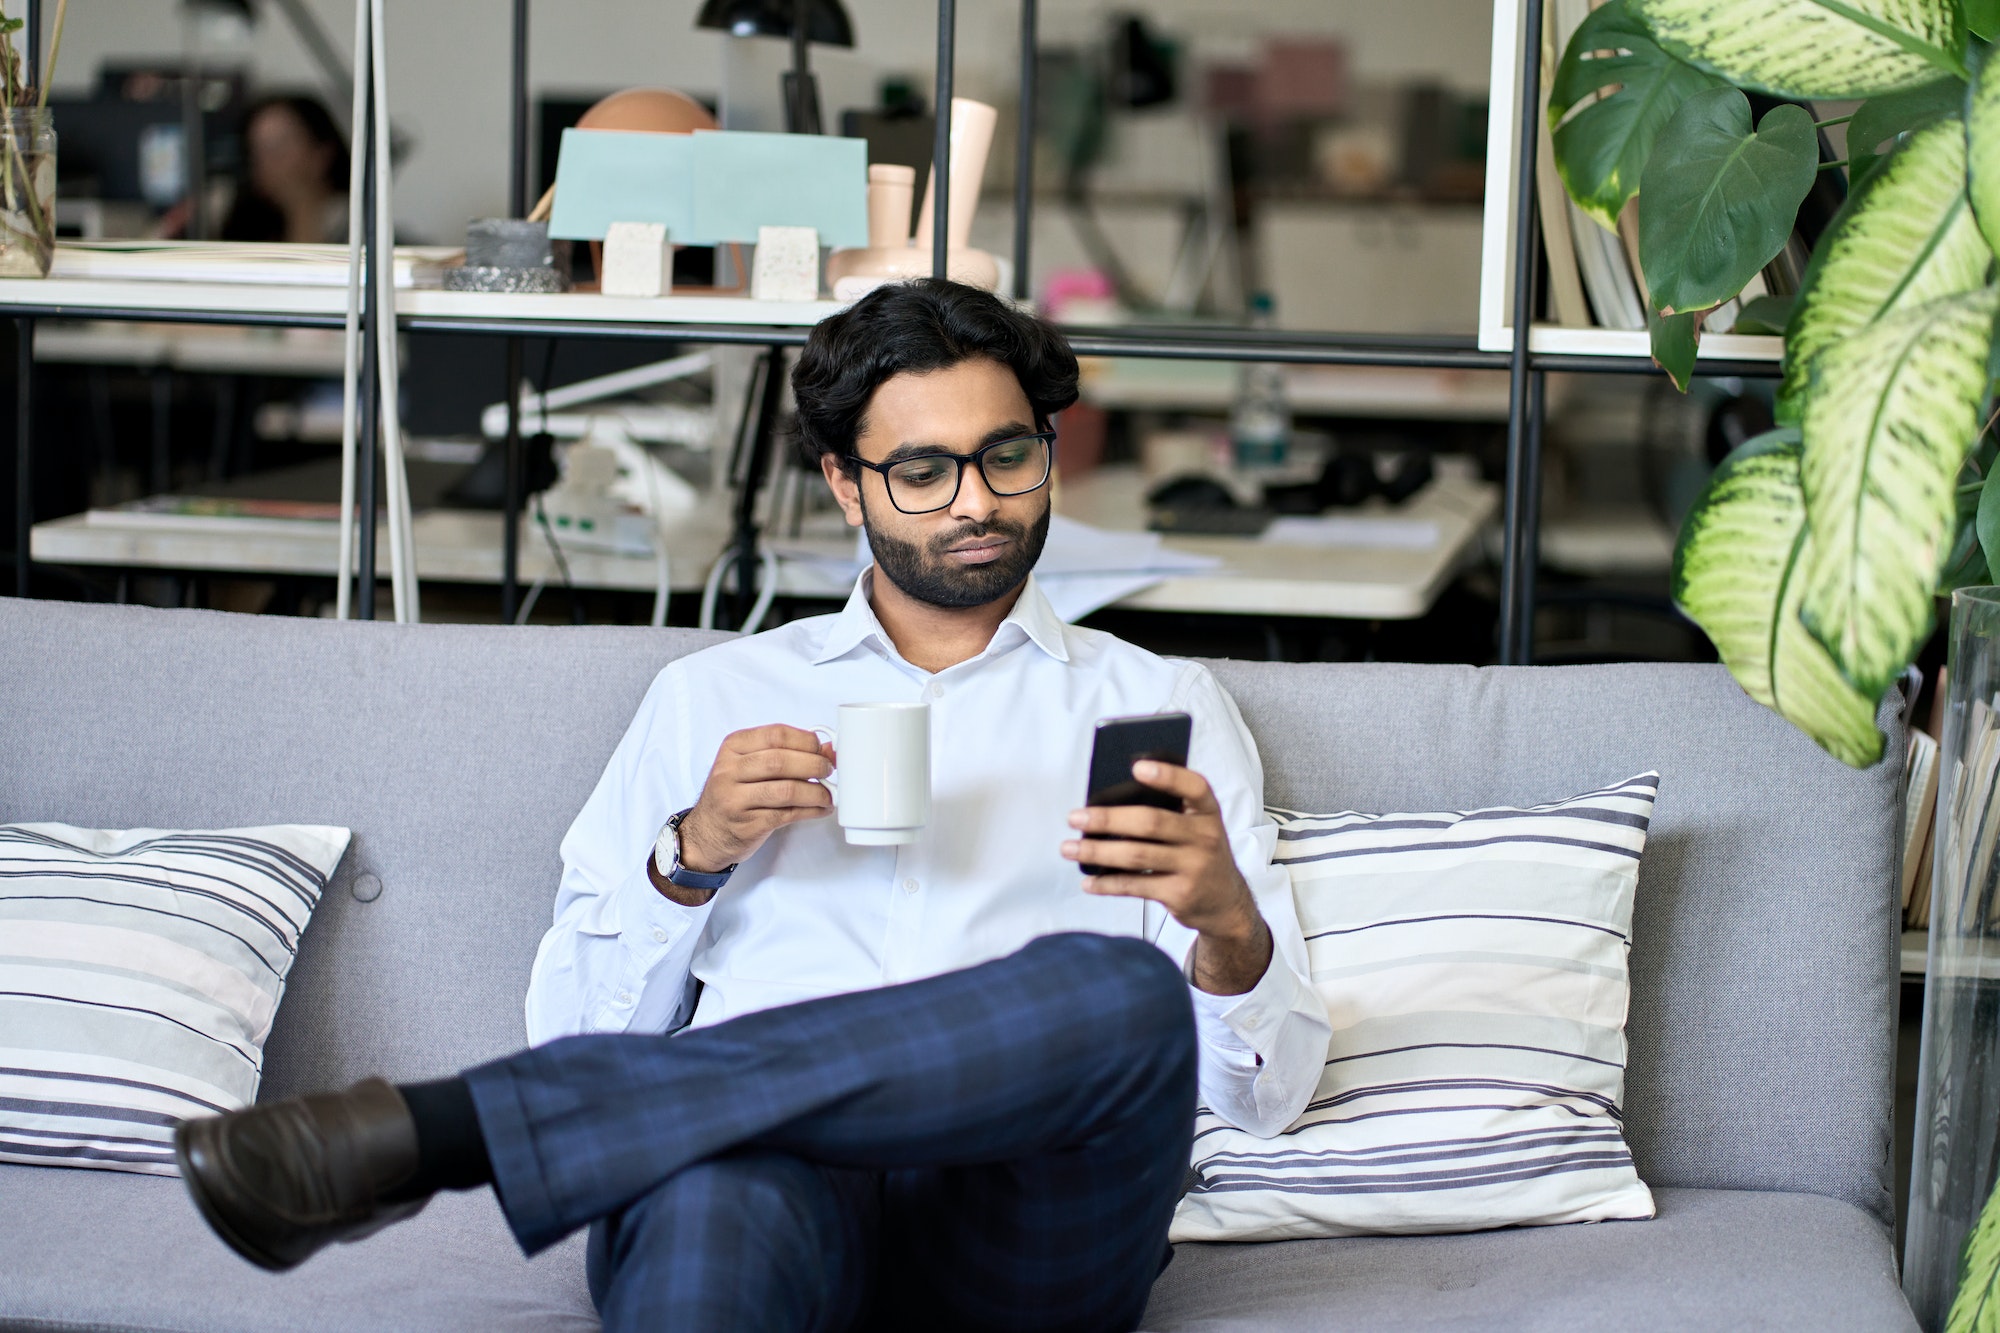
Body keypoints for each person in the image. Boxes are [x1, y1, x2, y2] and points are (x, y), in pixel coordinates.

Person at [172, 279, 1331, 1333]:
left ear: (1046, 450)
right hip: (751, 1182)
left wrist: (1228, 930)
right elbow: (574, 1036)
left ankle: (447, 1131)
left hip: (1019, 1218)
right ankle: (505, 1128)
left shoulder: (1156, 702)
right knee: (718, 1182)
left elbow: (1264, 1098)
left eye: (1005, 457)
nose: (974, 501)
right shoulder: (713, 698)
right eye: (922, 470)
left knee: (1116, 991)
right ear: (843, 482)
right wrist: (690, 854)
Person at [218, 94, 349, 243]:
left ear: (322, 153)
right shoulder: (247, 221)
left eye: (278, 147)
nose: (266, 163)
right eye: (257, 151)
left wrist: (302, 208)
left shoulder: (353, 219)